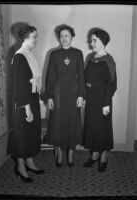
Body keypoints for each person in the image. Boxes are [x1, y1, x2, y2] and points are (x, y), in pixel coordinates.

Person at [44, 24, 85, 167]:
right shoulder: (54, 54)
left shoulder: (78, 53)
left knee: (73, 122)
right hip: (58, 92)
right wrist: (49, 96)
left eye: (67, 35)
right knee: (57, 122)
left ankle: (71, 152)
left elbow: (81, 75)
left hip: (73, 91)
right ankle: (60, 152)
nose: (64, 38)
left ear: (72, 36)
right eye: (61, 36)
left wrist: (81, 95)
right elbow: (50, 77)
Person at [11, 25, 45, 183]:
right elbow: (20, 86)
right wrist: (27, 109)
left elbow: (33, 80)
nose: (37, 40)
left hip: (31, 99)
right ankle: (20, 166)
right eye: (34, 37)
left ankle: (30, 162)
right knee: (22, 136)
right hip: (23, 103)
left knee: (31, 133)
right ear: (25, 38)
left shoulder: (29, 54)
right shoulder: (19, 57)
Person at [83, 28, 117, 172]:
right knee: (92, 128)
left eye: (94, 40)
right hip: (90, 99)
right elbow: (85, 78)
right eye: (91, 40)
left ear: (102, 41)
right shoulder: (90, 58)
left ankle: (103, 156)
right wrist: (83, 96)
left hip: (103, 100)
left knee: (102, 129)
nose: (91, 43)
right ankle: (94, 154)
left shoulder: (108, 60)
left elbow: (112, 84)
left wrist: (106, 104)